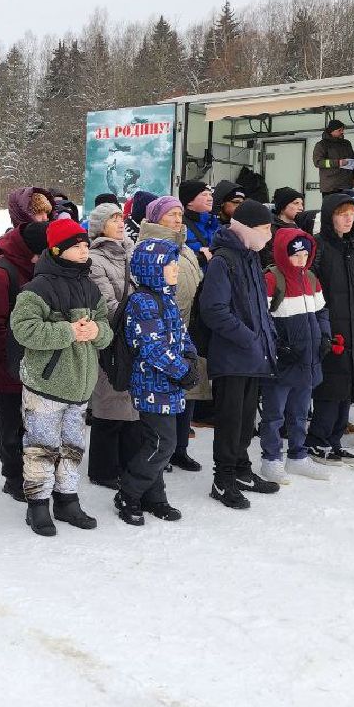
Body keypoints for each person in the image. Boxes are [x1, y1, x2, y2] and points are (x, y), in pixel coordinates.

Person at [9, 216, 110, 535]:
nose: (84, 251)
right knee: (41, 446)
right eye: (76, 246)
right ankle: (37, 505)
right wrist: (66, 331)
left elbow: (106, 331)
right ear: (56, 250)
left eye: (85, 245)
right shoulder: (35, 289)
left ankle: (67, 500)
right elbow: (23, 330)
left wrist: (97, 330)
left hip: (80, 388)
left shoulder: (91, 287)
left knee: (72, 447)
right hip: (46, 386)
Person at [198, 200, 280, 508]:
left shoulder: (250, 258)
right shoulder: (225, 260)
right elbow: (214, 309)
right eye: (264, 228)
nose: (269, 234)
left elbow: (259, 306)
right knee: (231, 422)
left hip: (253, 355)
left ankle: (242, 470)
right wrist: (248, 338)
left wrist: (267, 337)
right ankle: (224, 479)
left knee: (246, 421)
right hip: (233, 356)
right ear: (246, 229)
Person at [116, 238, 200, 525]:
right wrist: (182, 370)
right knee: (163, 444)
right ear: (151, 268)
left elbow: (182, 334)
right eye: (169, 264)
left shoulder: (166, 297)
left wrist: (190, 358)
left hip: (169, 383)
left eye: (176, 263)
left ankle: (155, 496)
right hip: (151, 384)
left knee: (159, 442)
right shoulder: (142, 302)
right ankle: (129, 491)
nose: (176, 268)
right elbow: (153, 349)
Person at [134, 195, 208, 471]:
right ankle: (158, 454)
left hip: (186, 329)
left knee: (187, 390)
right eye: (171, 215)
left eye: (179, 214)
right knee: (162, 397)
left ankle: (179, 449)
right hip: (159, 331)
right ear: (156, 219)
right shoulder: (146, 247)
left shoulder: (185, 249)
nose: (178, 219)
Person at [258, 229, 333, 484]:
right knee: (274, 414)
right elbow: (262, 319)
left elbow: (322, 311)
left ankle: (298, 455)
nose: (301, 259)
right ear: (282, 254)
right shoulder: (271, 279)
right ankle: (271, 459)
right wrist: (277, 347)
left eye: (305, 254)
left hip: (307, 360)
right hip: (283, 362)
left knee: (300, 411)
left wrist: (325, 337)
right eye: (295, 254)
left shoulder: (311, 278)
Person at [306, 194, 354, 464]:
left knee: (348, 388)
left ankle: (334, 440)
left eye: (352, 214)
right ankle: (317, 440)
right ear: (329, 216)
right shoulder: (319, 247)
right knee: (330, 387)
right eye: (342, 213)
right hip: (330, 328)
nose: (349, 219)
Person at [0, 221, 45, 501]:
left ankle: (31, 469)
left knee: (29, 420)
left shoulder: (36, 268)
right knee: (10, 421)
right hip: (7, 360)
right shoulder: (2, 272)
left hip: (33, 360)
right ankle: (12, 474)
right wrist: (6, 360)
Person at [85, 203, 139, 489]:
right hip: (111, 340)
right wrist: (141, 318)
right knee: (110, 402)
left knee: (128, 403)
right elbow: (108, 305)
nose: (120, 223)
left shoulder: (129, 252)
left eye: (121, 218)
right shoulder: (95, 260)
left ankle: (125, 462)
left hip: (133, 339)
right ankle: (103, 469)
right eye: (113, 219)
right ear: (99, 226)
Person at [179, 181, 220, 264]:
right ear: (189, 201)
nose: (210, 198)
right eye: (204, 195)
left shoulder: (214, 223)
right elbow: (172, 258)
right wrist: (199, 257)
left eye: (210, 195)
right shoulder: (180, 226)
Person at [313, 120, 354, 194]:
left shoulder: (347, 143)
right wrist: (338, 163)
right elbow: (318, 162)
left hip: (347, 185)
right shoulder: (322, 145)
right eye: (339, 130)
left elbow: (353, 160)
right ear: (331, 131)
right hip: (331, 187)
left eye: (343, 130)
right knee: (332, 205)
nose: (342, 132)